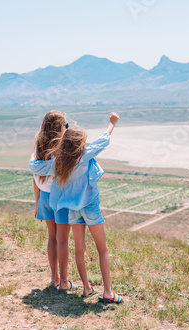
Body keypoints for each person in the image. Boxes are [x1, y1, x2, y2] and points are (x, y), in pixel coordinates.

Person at [29, 112, 123, 303]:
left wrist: (36, 158)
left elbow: (35, 167)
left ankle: (84, 288)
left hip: (69, 208)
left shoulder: (56, 161)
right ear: (80, 144)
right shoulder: (84, 155)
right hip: (88, 206)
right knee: (100, 249)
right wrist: (112, 123)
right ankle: (105, 291)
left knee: (75, 247)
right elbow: (102, 142)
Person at [32, 110, 70, 290]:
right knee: (63, 240)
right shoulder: (62, 150)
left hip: (44, 198)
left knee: (51, 238)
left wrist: (37, 203)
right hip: (60, 197)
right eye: (65, 125)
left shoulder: (38, 149)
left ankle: (54, 278)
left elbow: (35, 179)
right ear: (59, 127)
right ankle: (64, 282)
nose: (67, 128)